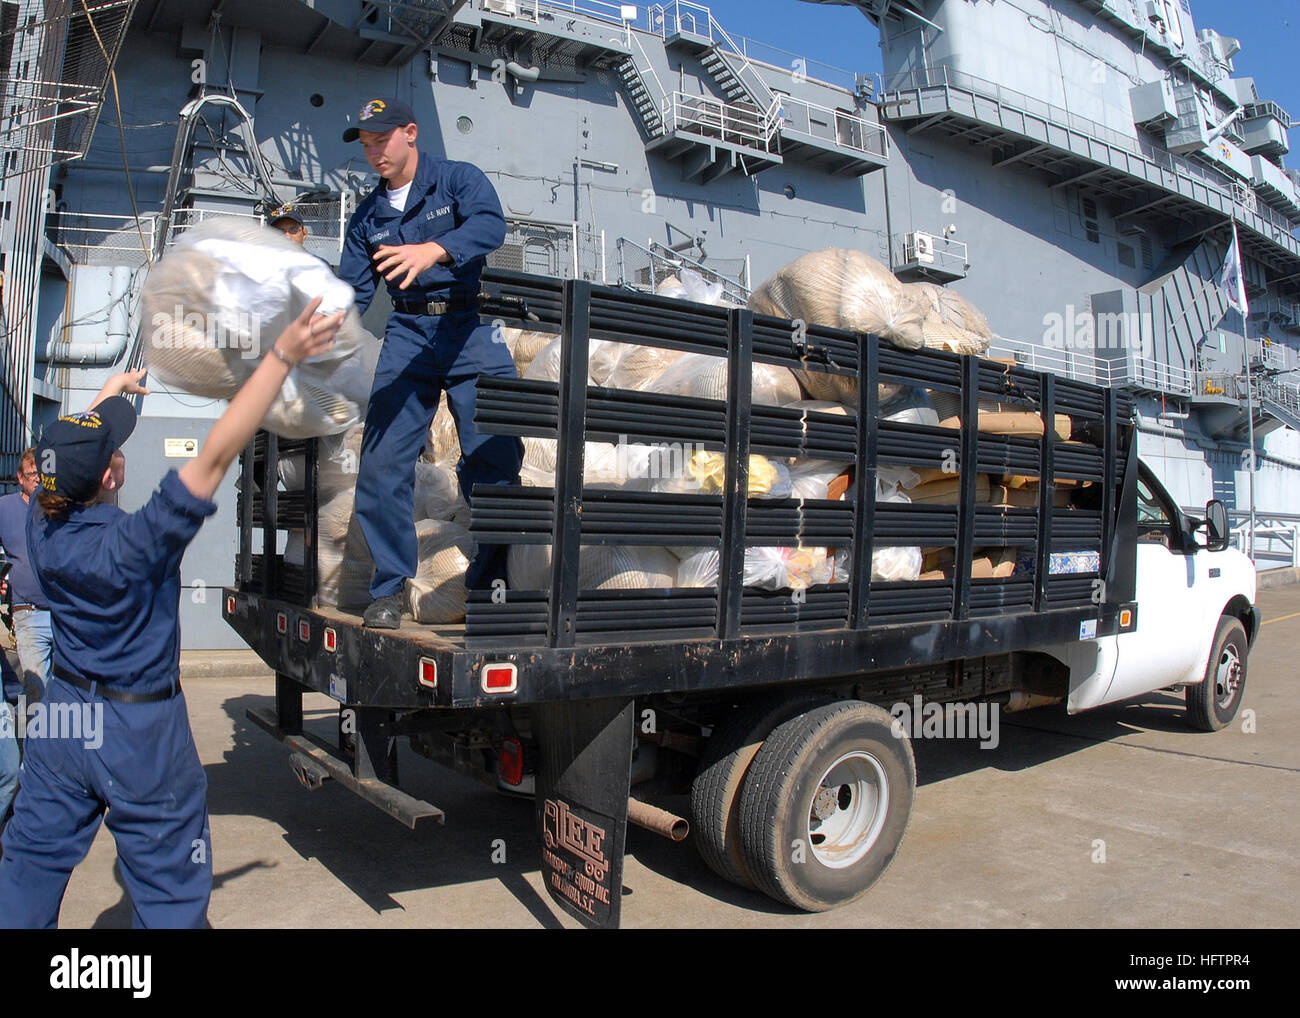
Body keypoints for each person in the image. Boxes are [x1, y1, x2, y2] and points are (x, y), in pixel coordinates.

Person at [0, 298, 342, 928]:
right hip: (141, 732)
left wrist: (110, 393)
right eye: (113, 449)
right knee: (169, 888)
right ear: (109, 476)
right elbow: (215, 453)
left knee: (29, 859)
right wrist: (281, 356)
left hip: (66, 719)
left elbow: (73, 459)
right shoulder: (134, 544)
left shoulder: (39, 525)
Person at [338, 97, 522, 629]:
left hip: (470, 327)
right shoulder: (369, 215)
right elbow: (350, 287)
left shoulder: (458, 180)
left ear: (410, 133)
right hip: (409, 333)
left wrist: (434, 248)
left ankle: (491, 583)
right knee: (381, 465)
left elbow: (490, 226)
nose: (375, 152)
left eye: (382, 139)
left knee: (494, 457)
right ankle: (390, 590)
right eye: (367, 144)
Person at [0, 448, 53, 700]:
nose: (37, 479)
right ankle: (33, 739)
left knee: (64, 690)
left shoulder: (58, 508)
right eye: (31, 473)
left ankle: (58, 739)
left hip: (63, 612)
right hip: (27, 612)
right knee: (36, 690)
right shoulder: (5, 508)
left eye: (41, 474)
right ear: (20, 478)